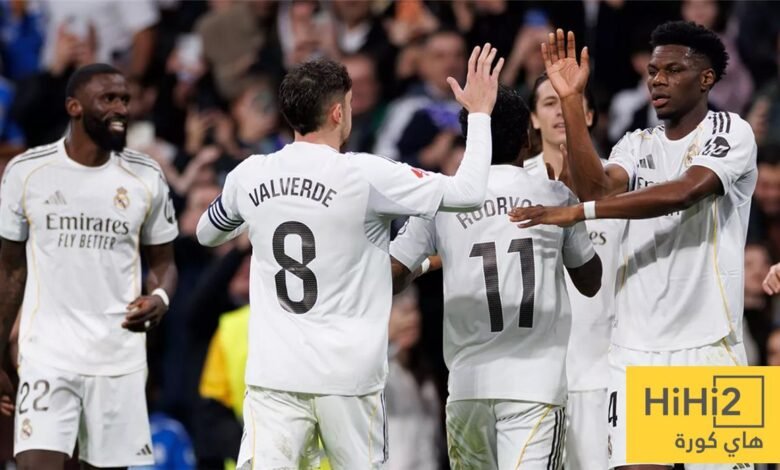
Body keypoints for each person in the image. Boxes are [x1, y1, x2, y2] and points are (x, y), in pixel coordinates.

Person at [196, 44, 504, 468]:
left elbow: (207, 233)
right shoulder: (365, 174)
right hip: (349, 379)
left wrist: (256, 212)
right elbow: (467, 193)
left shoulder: (250, 174)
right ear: (338, 112)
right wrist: (481, 114)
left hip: (275, 377)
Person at [509, 25, 757, 470]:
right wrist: (571, 99)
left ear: (706, 79)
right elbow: (596, 189)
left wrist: (580, 213)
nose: (657, 80)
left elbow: (685, 191)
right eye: (653, 71)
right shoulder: (635, 143)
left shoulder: (732, 131)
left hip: (711, 346)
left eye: (673, 70)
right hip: (635, 351)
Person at [390, 85, 602, 469]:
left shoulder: (442, 200)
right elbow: (590, 282)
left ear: (471, 141)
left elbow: (392, 275)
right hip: (534, 387)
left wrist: (421, 266)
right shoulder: (554, 195)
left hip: (467, 389)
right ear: (527, 139)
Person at [0, 63, 178, 469]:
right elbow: (9, 272)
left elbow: (165, 262)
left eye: (125, 100)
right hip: (46, 356)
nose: (121, 109)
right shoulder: (28, 172)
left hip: (118, 362)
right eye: (108, 99)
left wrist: (161, 298)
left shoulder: (146, 176)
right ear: (74, 107)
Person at [524, 72, 622, 470]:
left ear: (591, 115)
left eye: (570, 103)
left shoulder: (618, 182)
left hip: (601, 371)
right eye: (550, 103)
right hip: (532, 378)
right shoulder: (515, 186)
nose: (560, 112)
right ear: (533, 119)